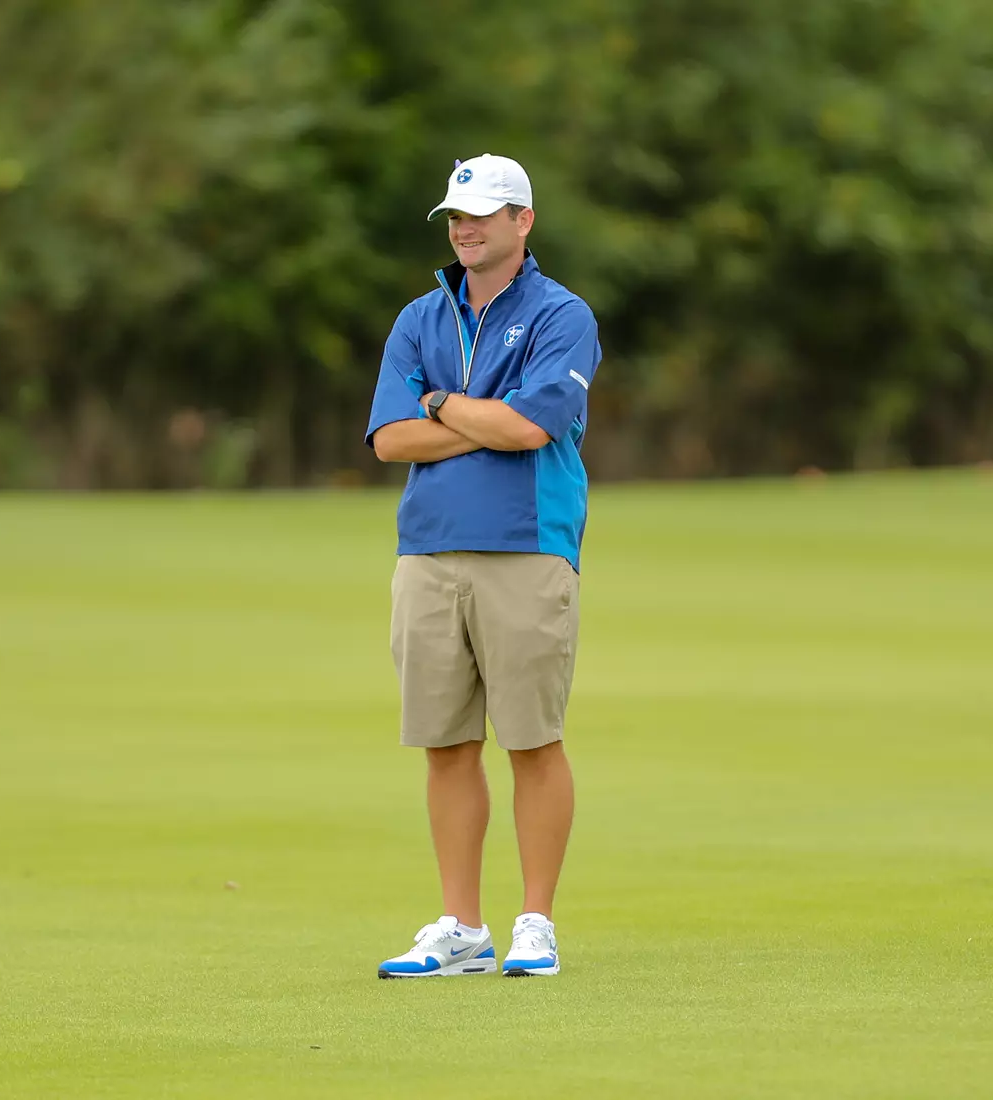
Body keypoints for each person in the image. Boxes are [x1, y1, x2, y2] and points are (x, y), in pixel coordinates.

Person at [364, 153, 601, 979]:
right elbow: (390, 439)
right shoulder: (418, 318)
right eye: (456, 218)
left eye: (482, 216)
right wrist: (482, 418)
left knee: (533, 741)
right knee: (446, 744)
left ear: (522, 221)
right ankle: (462, 929)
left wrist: (437, 402)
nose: (465, 230)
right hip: (428, 550)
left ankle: (536, 922)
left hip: (527, 545)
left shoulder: (562, 314)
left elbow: (533, 428)